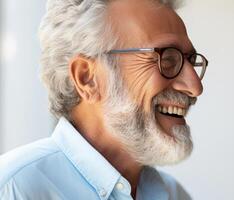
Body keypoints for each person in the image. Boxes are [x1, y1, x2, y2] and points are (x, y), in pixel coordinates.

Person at [0, 0, 208, 199]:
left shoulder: (172, 194)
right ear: (87, 79)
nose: (195, 87)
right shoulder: (14, 189)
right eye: (168, 59)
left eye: (190, 60)